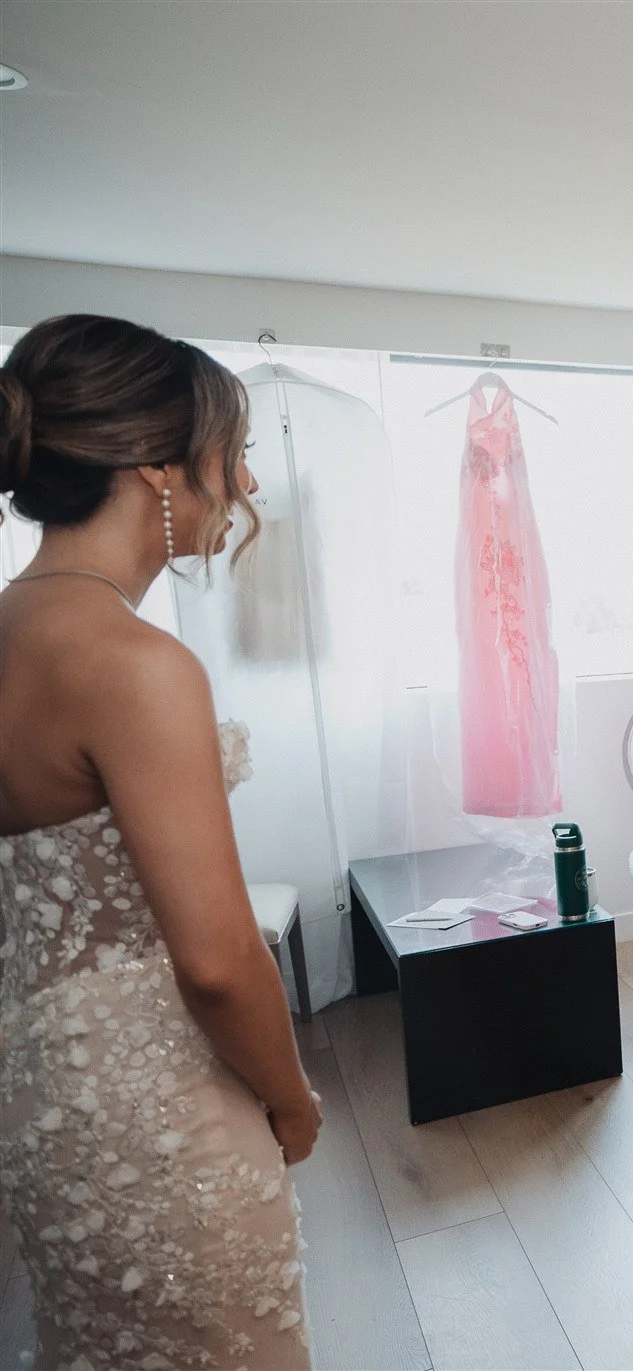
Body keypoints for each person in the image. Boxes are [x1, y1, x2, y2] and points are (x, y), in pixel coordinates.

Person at [0, 314, 319, 1367]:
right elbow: (220, 960)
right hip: (169, 1104)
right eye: (232, 458)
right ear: (157, 472)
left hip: (49, 1102)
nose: (248, 490)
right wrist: (292, 1099)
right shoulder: (134, 662)